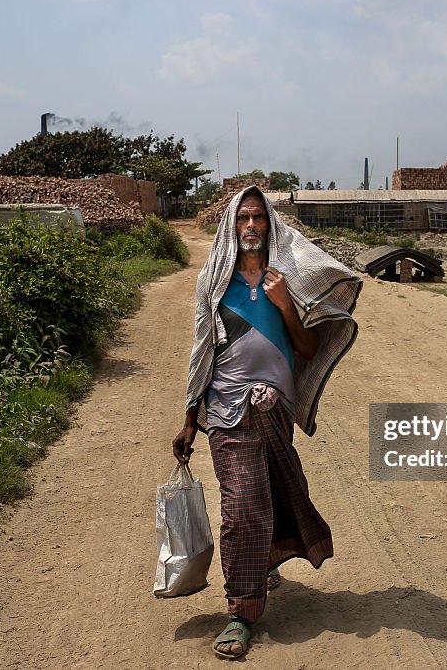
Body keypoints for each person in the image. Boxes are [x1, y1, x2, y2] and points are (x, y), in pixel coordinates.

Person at [172, 185, 361, 659]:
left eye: (258, 217)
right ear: (232, 227)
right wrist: (190, 420)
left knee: (271, 490)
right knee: (240, 510)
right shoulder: (215, 282)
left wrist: (282, 305)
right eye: (243, 219)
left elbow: (309, 350)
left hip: (275, 408)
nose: (251, 226)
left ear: (270, 225)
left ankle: (264, 559)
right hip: (226, 411)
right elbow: (203, 353)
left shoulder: (288, 282)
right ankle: (241, 612)